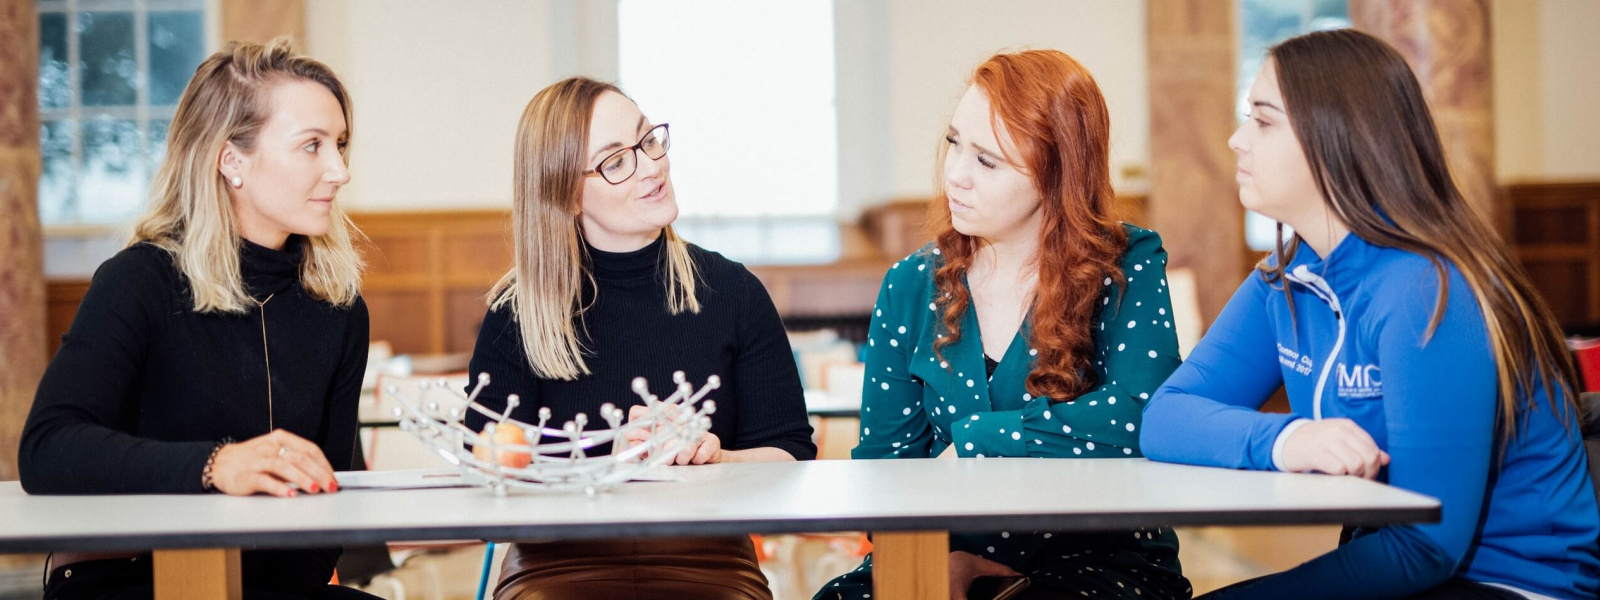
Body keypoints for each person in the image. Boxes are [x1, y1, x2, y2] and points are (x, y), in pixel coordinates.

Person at [1140, 29, 1600, 599]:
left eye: (1262, 120)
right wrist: (1288, 439)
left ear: (1337, 138)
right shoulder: (1286, 278)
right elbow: (1165, 417)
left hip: (1513, 583)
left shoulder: (1428, 291)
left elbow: (1425, 545)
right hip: (1414, 573)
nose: (1236, 141)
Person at [816, 50, 1191, 600]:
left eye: (987, 162)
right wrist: (938, 564)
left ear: (1058, 172)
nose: (955, 175)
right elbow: (883, 475)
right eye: (953, 143)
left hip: (1099, 562)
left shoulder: (1125, 261)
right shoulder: (910, 283)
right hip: (939, 556)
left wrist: (977, 440)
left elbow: (1143, 417)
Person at [20, 38, 376, 600]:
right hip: (127, 578)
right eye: (312, 145)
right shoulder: (139, 281)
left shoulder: (340, 309)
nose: (340, 170)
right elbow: (47, 448)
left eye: (341, 144)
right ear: (231, 159)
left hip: (272, 587)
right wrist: (215, 466)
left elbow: (326, 505)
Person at [465, 76, 816, 600]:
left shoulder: (733, 292)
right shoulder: (516, 314)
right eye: (615, 161)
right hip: (555, 565)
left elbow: (791, 457)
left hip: (710, 561)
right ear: (564, 195)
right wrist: (608, 459)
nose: (651, 166)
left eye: (648, 139)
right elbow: (487, 475)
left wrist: (712, 457)